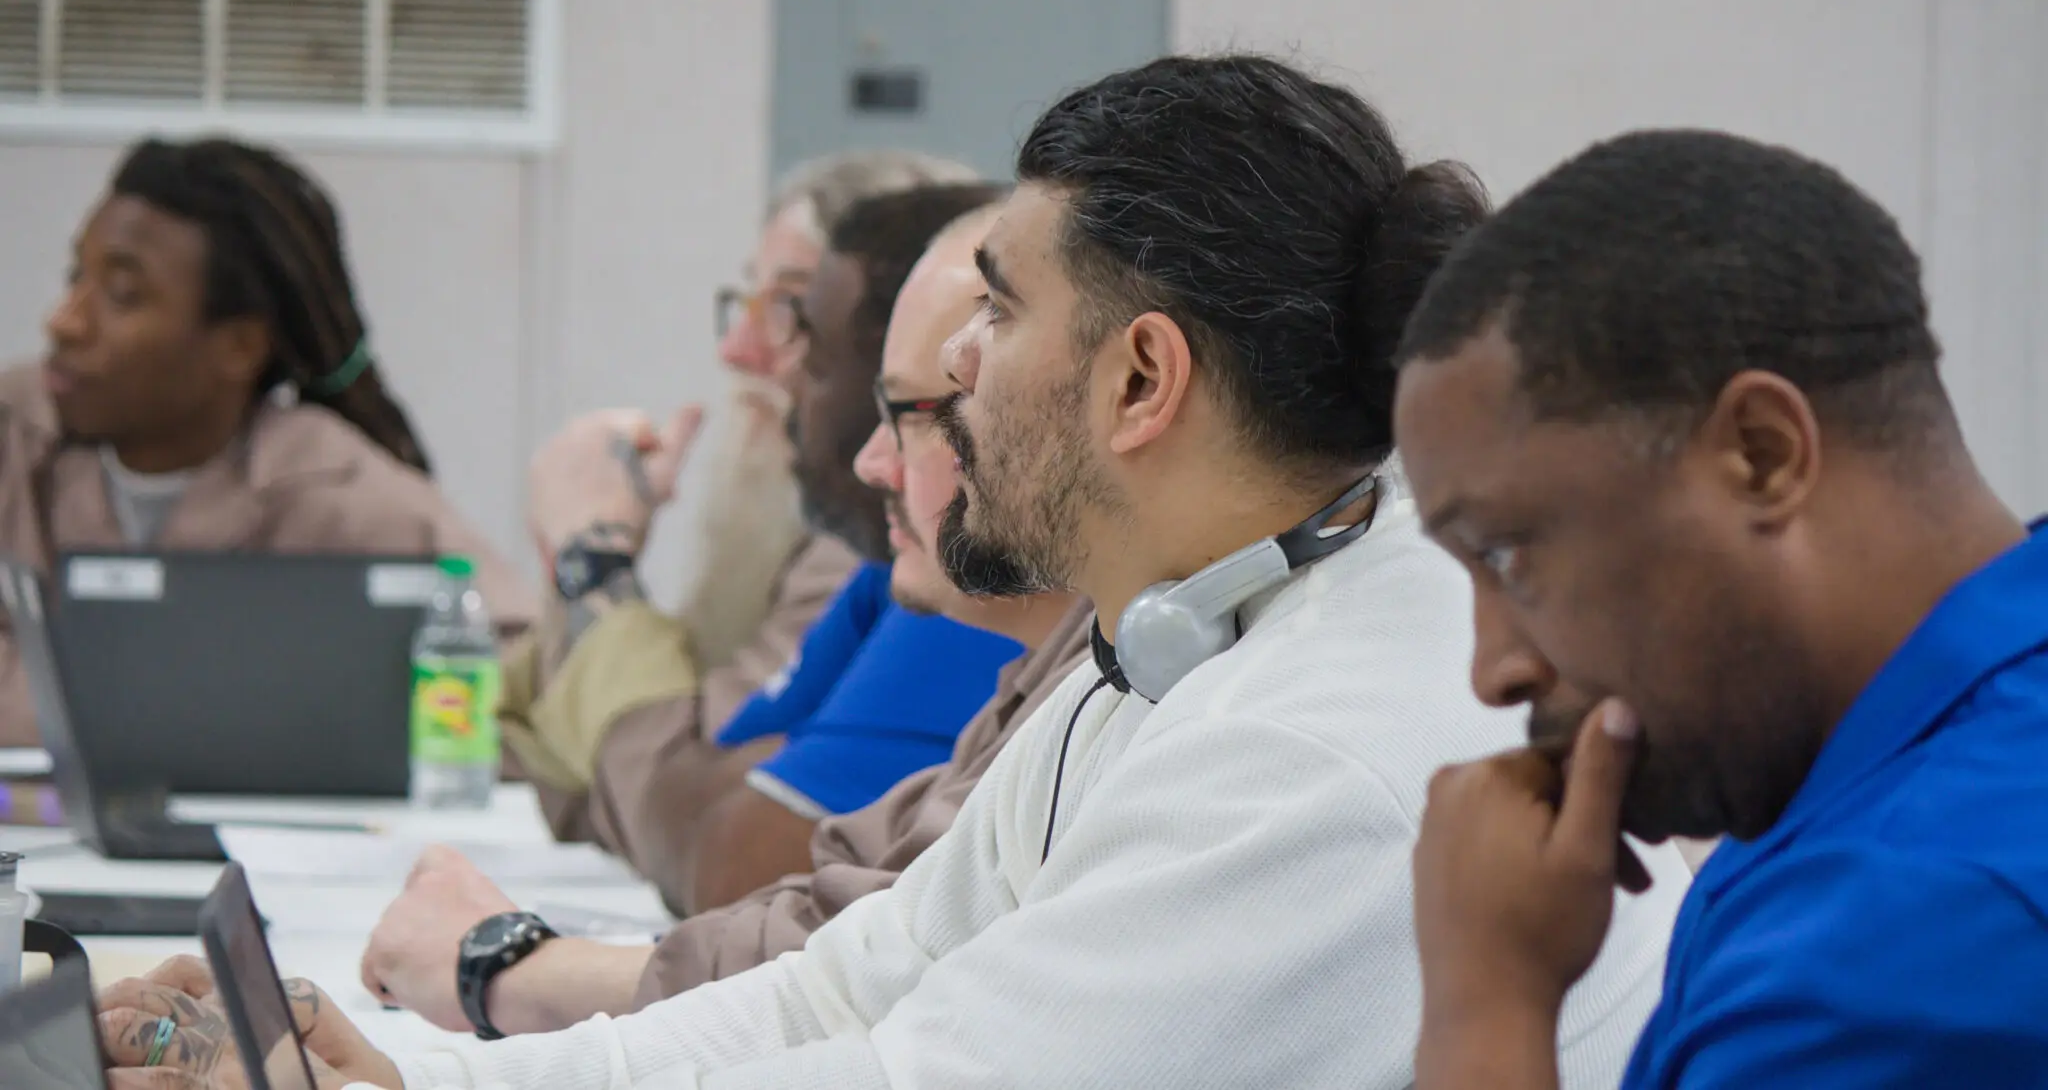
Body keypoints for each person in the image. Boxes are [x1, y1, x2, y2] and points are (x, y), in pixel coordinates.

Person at [102, 55, 1686, 1090]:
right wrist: (404, 1071)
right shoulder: (1177, 637)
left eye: (997, 312)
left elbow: (903, 1077)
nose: (954, 373)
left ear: (1143, 380)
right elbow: (844, 994)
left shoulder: (1306, 750)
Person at [1395, 130, 2048, 1088]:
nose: (1493, 672)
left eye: (1505, 554)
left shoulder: (1905, 941)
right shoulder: (1874, 767)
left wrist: (1486, 1004)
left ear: (1762, 455)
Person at [356, 205, 1090, 1035]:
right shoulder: (926, 597)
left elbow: (730, 858)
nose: (746, 354)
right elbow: (689, 811)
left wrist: (505, 966)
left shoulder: (969, 605)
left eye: (795, 323)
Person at [500, 153, 978, 873]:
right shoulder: (848, 551)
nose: (738, 350)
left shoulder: (907, 559)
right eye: (747, 303)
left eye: (792, 313)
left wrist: (593, 564)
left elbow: (693, 820)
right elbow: (623, 792)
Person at [0, 137, 533, 747]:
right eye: (76, 277)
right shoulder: (15, 434)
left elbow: (525, 698)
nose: (64, 320)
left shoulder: (337, 491)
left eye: (122, 294)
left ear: (240, 347)